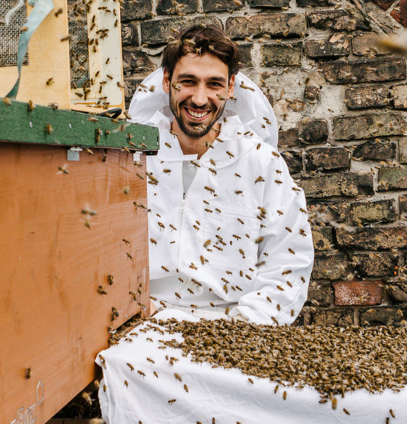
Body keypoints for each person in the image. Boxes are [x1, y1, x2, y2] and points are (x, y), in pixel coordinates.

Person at [129, 22, 313, 324]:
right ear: (166, 81)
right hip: (144, 322)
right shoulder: (131, 161)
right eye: (187, 81)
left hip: (237, 328)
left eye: (214, 84)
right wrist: (133, 307)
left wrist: (245, 325)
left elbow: (288, 262)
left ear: (230, 87)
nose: (199, 99)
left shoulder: (262, 164)